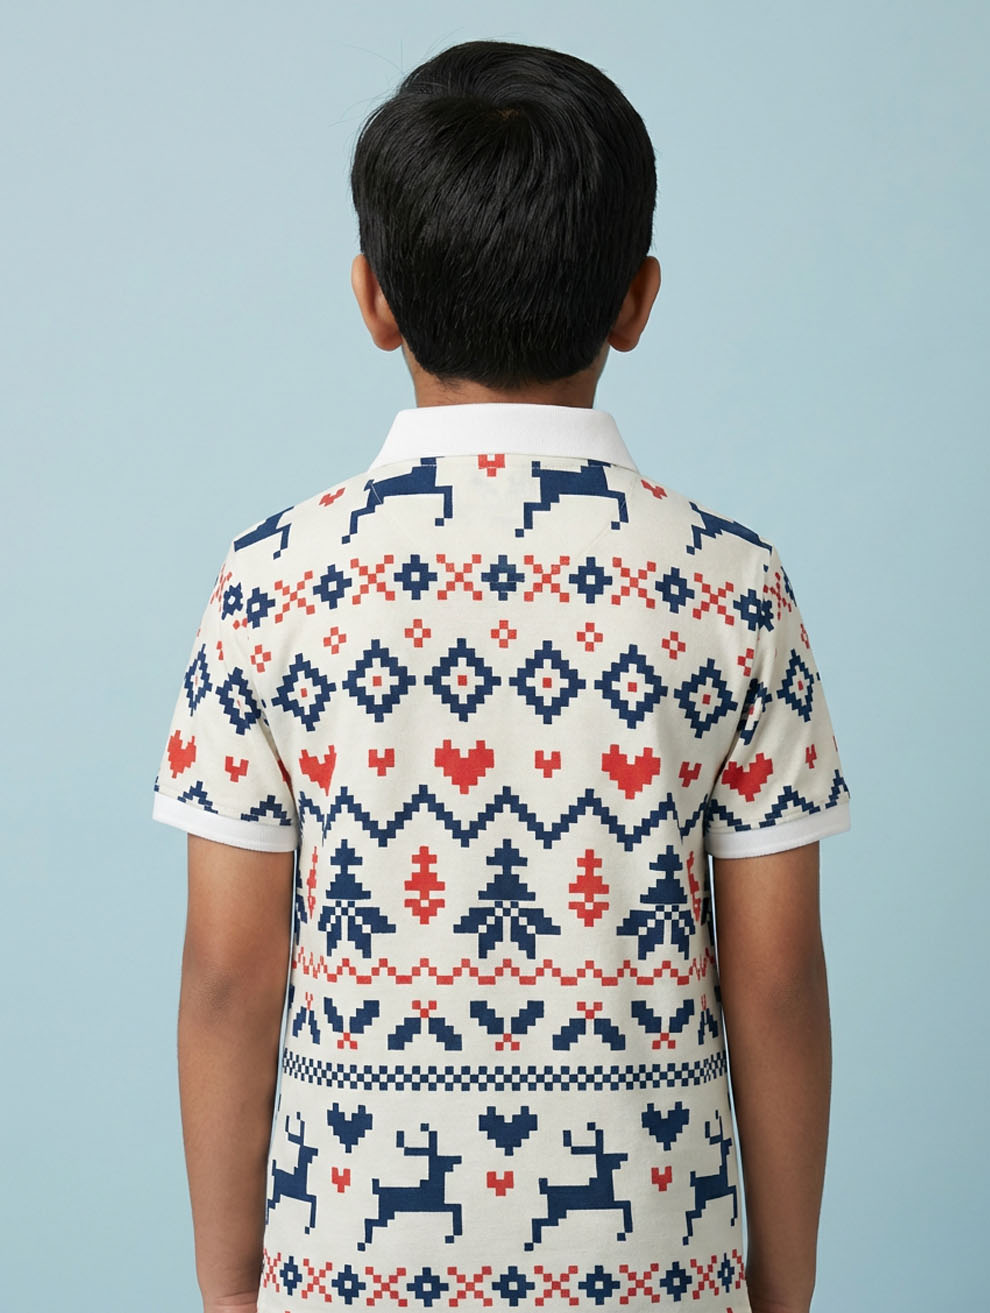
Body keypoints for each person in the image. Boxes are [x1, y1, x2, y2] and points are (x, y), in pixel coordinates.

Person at [152, 39, 850, 1313]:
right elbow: (777, 977)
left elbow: (229, 975)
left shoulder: (270, 582)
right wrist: (782, 1287)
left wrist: (230, 1287)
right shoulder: (733, 588)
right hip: (655, 1267)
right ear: (636, 300)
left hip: (351, 1268)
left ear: (373, 300)